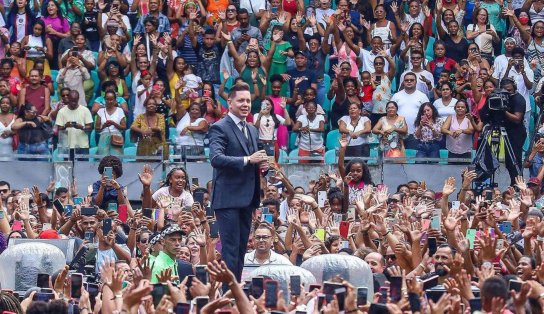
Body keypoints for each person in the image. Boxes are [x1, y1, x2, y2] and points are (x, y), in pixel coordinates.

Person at [208, 82, 269, 281]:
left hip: (247, 199)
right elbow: (216, 159)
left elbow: (254, 160)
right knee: (231, 249)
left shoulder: (251, 129)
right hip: (227, 199)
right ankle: (228, 293)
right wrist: (247, 160)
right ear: (230, 102)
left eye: (248, 101)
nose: (245, 104)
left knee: (242, 248)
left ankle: (235, 289)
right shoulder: (219, 127)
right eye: (241, 100)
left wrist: (262, 166)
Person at [54, 90, 93, 156]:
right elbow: (59, 128)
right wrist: (66, 126)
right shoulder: (62, 111)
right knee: (68, 166)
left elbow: (90, 127)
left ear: (78, 99)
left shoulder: (85, 110)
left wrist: (81, 127)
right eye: (72, 101)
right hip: (67, 146)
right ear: (68, 98)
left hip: (82, 146)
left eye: (75, 101)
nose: (74, 103)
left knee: (83, 166)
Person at [95, 90, 127, 156]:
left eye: (111, 99)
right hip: (103, 137)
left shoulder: (119, 110)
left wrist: (114, 123)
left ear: (115, 100)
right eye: (107, 99)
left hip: (116, 137)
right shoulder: (100, 111)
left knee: (116, 159)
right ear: (104, 99)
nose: (109, 101)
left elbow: (124, 127)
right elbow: (96, 128)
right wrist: (104, 126)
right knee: (103, 159)